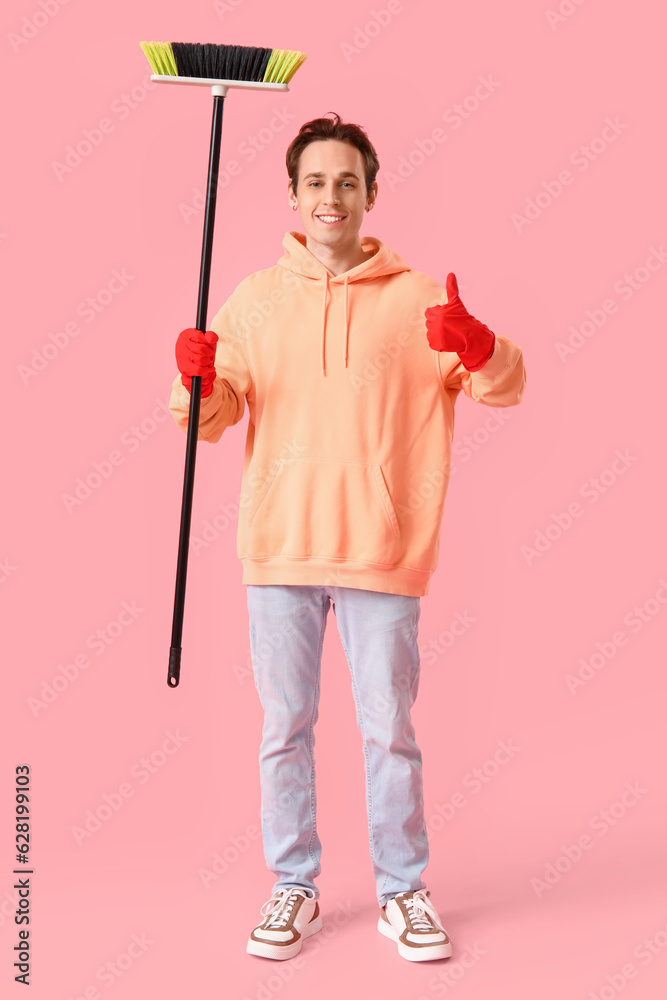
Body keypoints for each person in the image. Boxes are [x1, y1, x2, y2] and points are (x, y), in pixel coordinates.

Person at [170, 113, 526, 964]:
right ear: (293, 195)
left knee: (388, 731)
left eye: (347, 181)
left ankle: (403, 889)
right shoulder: (255, 298)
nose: (332, 195)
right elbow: (212, 420)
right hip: (279, 548)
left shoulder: (419, 300)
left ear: (371, 192)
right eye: (316, 182)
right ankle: (293, 883)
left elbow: (502, 386)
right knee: (283, 727)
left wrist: (479, 347)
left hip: (381, 552)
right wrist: (192, 379)